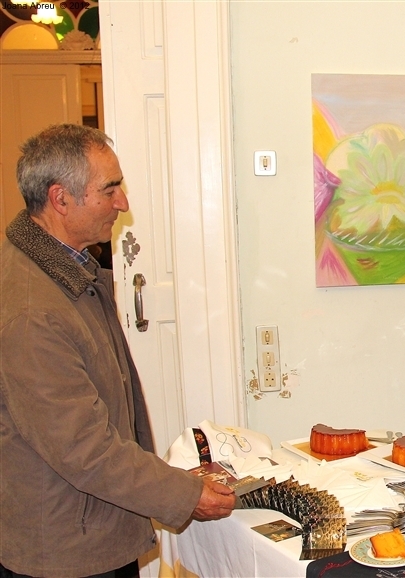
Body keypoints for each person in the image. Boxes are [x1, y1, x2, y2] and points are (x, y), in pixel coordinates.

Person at [0, 124, 236, 578]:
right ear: (60, 199)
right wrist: (184, 495)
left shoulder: (66, 268)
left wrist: (170, 483)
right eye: (109, 189)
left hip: (89, 526)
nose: (122, 202)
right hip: (66, 551)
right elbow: (84, 448)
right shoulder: (33, 313)